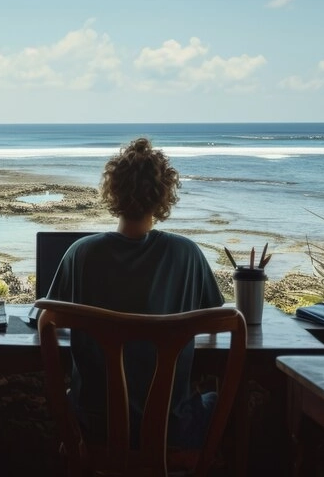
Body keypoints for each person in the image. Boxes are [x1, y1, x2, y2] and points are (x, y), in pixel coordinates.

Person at [46, 137, 224, 448]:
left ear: (112, 190)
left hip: (97, 430)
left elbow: (49, 321)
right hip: (170, 432)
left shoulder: (80, 254)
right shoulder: (188, 254)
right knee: (220, 402)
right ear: (164, 194)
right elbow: (216, 323)